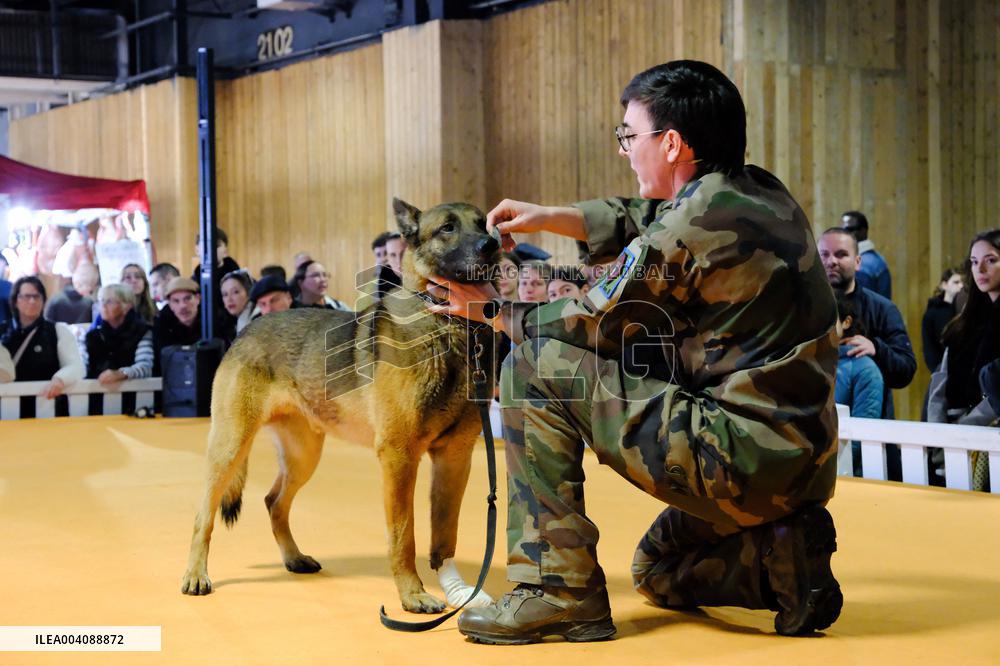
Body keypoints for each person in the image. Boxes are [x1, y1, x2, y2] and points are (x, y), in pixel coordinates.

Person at [427, 60, 842, 642]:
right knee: (656, 570)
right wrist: (553, 217)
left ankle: (557, 590)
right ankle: (780, 563)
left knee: (532, 366)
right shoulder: (758, 193)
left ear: (671, 143)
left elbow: (592, 320)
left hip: (735, 458)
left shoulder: (686, 231)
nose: (625, 149)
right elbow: (649, 216)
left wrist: (493, 312)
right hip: (800, 465)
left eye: (629, 135)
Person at [928, 229, 1000, 490]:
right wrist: (938, 436)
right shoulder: (964, 321)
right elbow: (939, 382)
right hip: (951, 436)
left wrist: (962, 433)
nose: (980, 268)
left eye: (991, 260)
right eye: (973, 261)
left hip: (989, 437)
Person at [817, 228, 916, 419]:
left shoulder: (883, 309)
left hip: (872, 432)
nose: (831, 261)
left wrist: (877, 348)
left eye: (841, 254)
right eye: (824, 254)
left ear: (858, 262)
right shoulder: (803, 309)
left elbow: (906, 370)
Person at [0, 276, 85, 416]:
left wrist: (60, 379)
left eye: (37, 296)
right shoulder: (2, 331)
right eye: (27, 296)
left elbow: (76, 366)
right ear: (16, 300)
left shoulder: (58, 330)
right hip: (6, 411)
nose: (32, 301)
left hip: (47, 408)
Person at [833, 290, 884, 477]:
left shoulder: (865, 370)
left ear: (846, 322)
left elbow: (862, 433)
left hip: (848, 473)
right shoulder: (812, 362)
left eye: (828, 317)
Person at [85, 283, 153, 384]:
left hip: (134, 395)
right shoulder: (93, 335)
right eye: (101, 301)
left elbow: (145, 367)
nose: (103, 306)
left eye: (110, 301)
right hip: (97, 395)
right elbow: (83, 365)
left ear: (126, 307)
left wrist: (122, 374)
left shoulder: (142, 332)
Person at [153, 277, 202, 375]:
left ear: (198, 299)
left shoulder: (212, 320)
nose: (183, 306)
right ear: (170, 304)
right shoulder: (161, 326)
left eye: (187, 298)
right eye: (176, 301)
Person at [921, 267, 963, 373]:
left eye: (962, 282)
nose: (961, 286)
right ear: (944, 285)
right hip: (942, 369)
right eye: (956, 282)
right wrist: (939, 371)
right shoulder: (932, 313)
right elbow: (929, 349)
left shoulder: (964, 309)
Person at [841, 211, 891, 299]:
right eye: (842, 230)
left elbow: (859, 305)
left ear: (863, 231)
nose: (844, 234)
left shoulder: (862, 265)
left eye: (849, 230)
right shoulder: (876, 258)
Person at [191, 228, 240, 312]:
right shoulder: (193, 283)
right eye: (206, 244)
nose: (211, 249)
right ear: (197, 250)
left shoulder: (242, 280)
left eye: (217, 245)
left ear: (225, 250)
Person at [220, 269, 255, 342]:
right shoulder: (229, 322)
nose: (229, 299)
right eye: (225, 294)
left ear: (248, 293)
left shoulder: (256, 319)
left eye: (235, 292)